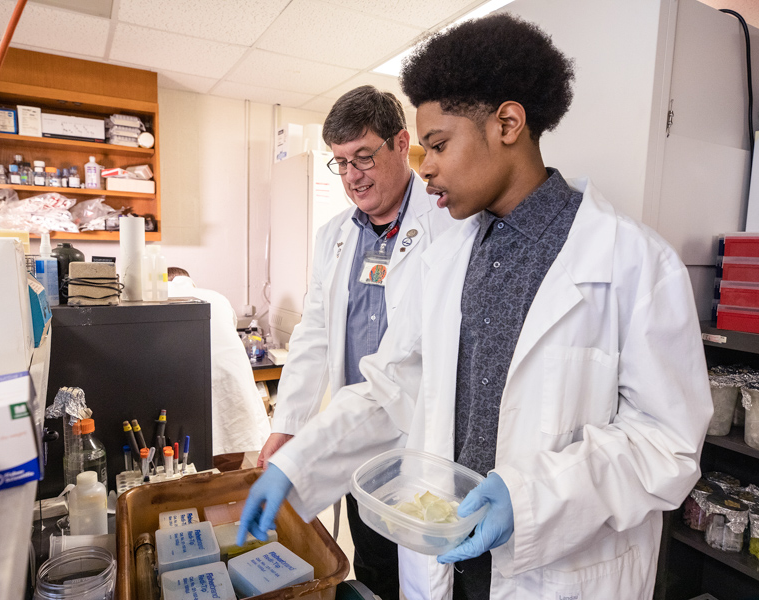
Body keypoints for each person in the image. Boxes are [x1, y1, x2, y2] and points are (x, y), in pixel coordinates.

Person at [238, 13, 713, 600]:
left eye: (438, 144)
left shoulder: (634, 263)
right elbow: (394, 386)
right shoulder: (447, 256)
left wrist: (531, 497)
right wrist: (298, 461)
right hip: (445, 565)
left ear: (507, 123)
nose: (426, 165)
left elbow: (666, 442)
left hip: (558, 573)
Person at [256, 85, 456, 599]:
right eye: (340, 163)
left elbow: (410, 357)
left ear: (400, 143)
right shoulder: (335, 234)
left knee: (421, 573)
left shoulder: (446, 224)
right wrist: (289, 425)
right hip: (358, 441)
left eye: (363, 157)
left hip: (419, 437)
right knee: (369, 566)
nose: (351, 176)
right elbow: (315, 333)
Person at [167, 267, 270, 471]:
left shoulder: (157, 298)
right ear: (190, 281)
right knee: (230, 446)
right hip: (230, 375)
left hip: (185, 378)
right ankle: (225, 495)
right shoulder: (216, 296)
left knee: (185, 458)